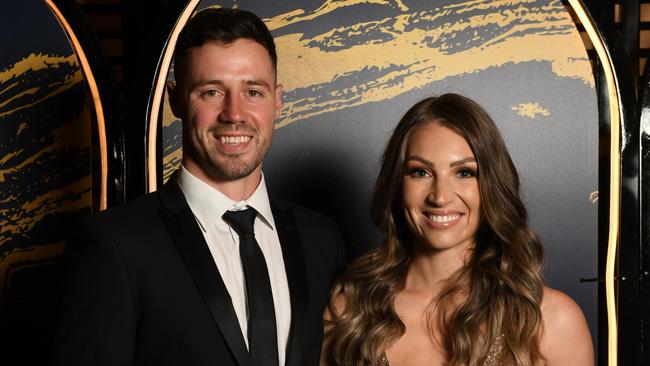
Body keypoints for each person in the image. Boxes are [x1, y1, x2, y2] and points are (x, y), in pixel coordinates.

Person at [52, 8, 345, 366]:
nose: (234, 113)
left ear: (277, 99)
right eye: (211, 92)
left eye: (253, 91)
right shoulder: (114, 246)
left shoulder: (320, 239)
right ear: (175, 99)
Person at [321, 94, 593, 366]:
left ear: (492, 185)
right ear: (396, 184)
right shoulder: (348, 316)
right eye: (420, 172)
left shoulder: (551, 321)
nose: (440, 197)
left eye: (464, 173)